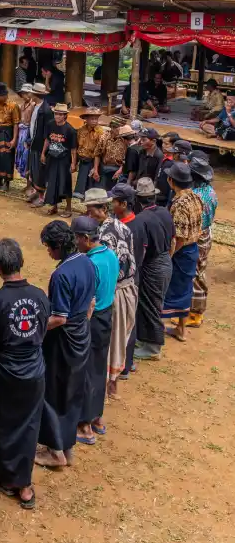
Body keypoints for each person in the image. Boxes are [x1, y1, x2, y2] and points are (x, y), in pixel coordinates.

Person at [0, 238, 49, 510]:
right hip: (33, 368)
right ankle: (25, 484)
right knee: (29, 425)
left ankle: (5, 477)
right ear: (21, 262)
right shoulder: (40, 297)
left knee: (1, 422)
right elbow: (42, 330)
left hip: (4, 370)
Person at [35, 220, 95, 469]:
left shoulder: (61, 275)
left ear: (59, 245)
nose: (48, 251)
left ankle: (55, 451)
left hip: (63, 340)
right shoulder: (87, 261)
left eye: (49, 247)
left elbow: (59, 316)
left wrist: (36, 330)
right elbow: (91, 302)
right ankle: (67, 446)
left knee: (54, 392)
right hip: (82, 335)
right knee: (72, 391)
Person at [74, 216, 119, 444]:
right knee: (99, 368)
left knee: (85, 370)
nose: (75, 244)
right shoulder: (110, 254)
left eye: (76, 239)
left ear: (84, 238)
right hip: (107, 315)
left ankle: (84, 426)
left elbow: (87, 299)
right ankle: (97, 418)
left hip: (93, 318)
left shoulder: (89, 264)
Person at [132, 178, 175, 361]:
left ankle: (153, 347)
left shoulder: (141, 219)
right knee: (150, 303)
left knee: (150, 305)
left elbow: (141, 250)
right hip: (165, 260)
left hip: (152, 265)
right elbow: (173, 240)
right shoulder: (165, 212)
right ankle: (145, 339)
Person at [101, 185, 138, 395]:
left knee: (112, 338)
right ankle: (113, 381)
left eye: (114, 200)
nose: (111, 203)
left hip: (116, 292)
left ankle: (110, 382)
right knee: (120, 337)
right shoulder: (124, 227)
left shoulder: (106, 235)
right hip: (127, 289)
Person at [161, 162, 203, 342]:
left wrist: (169, 256)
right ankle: (181, 329)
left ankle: (158, 329)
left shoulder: (179, 204)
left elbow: (179, 238)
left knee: (169, 289)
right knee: (185, 289)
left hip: (181, 251)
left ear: (171, 181)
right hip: (193, 249)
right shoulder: (196, 197)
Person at [187, 152, 217, 328]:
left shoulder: (196, 195)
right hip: (206, 234)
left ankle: (195, 313)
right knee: (199, 270)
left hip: (197, 236)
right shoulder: (210, 192)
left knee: (196, 273)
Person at [41, 103, 77, 217]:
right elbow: (47, 140)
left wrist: (73, 163)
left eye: (60, 114)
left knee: (65, 182)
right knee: (53, 182)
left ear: (65, 116)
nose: (57, 116)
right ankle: (54, 206)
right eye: (56, 114)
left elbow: (73, 149)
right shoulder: (50, 124)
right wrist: (43, 153)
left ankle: (68, 208)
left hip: (64, 160)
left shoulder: (70, 130)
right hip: (52, 157)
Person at [27, 83, 53, 207]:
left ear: (35, 94)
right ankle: (36, 193)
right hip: (34, 143)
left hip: (40, 145)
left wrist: (44, 151)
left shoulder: (46, 111)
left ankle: (42, 197)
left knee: (40, 172)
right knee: (34, 170)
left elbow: (46, 134)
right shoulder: (37, 107)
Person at [74, 109, 103, 200]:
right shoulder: (80, 131)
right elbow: (76, 145)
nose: (94, 121)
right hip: (82, 159)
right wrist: (74, 162)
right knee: (81, 178)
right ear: (86, 119)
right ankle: (79, 196)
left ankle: (90, 198)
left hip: (93, 160)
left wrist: (96, 167)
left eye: (96, 119)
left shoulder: (100, 132)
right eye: (92, 119)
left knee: (91, 181)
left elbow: (100, 151)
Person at [94, 117, 126, 190]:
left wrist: (120, 170)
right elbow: (97, 154)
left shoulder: (125, 140)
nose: (120, 130)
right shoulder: (104, 137)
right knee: (101, 191)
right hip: (105, 167)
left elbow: (127, 158)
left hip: (119, 169)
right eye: (118, 127)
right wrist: (95, 170)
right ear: (112, 127)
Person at [15, 84, 35, 189]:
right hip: (21, 131)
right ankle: (27, 184)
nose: (24, 95)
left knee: (27, 158)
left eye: (26, 93)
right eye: (23, 93)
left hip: (28, 132)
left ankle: (30, 185)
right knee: (22, 156)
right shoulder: (22, 105)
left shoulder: (33, 105)